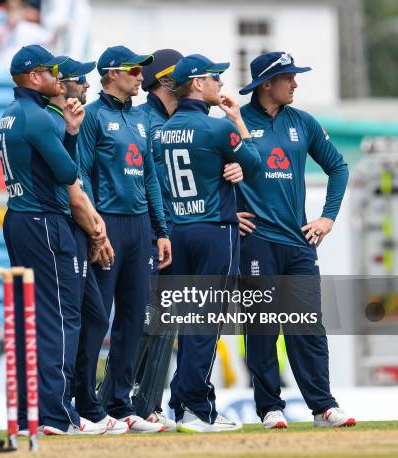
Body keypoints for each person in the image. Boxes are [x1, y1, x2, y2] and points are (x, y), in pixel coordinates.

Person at [236, 51, 355, 429]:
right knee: (262, 327)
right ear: (266, 84)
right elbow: (210, 173)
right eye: (288, 77)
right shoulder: (235, 122)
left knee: (308, 326)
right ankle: (270, 408)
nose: (295, 83)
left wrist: (327, 217)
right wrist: (226, 216)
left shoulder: (303, 122)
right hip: (255, 242)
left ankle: (323, 407)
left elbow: (338, 166)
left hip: (298, 242)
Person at [0, 44, 108, 436]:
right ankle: (57, 415)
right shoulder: (40, 117)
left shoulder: (10, 114)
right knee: (61, 316)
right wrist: (73, 134)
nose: (56, 77)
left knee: (36, 317)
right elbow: (67, 172)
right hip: (45, 220)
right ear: (33, 77)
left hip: (20, 218)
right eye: (49, 71)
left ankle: (36, 412)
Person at [159, 53, 261, 432]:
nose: (220, 82)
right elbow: (254, 162)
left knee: (188, 322)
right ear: (197, 84)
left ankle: (182, 403)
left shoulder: (162, 130)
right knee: (205, 321)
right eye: (215, 77)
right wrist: (236, 119)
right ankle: (196, 409)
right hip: (213, 230)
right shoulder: (217, 128)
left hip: (176, 231)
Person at [79, 45, 171, 433]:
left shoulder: (140, 119)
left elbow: (150, 176)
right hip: (108, 226)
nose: (140, 77)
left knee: (134, 318)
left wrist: (160, 229)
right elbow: (81, 174)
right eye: (134, 71)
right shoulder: (92, 116)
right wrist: (95, 230)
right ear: (112, 74)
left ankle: (119, 403)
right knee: (97, 320)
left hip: (139, 228)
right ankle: (84, 403)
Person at [46, 56, 125, 434]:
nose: (87, 85)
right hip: (62, 227)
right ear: (62, 85)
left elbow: (81, 180)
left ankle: (85, 403)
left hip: (78, 226)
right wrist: (98, 231)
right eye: (80, 80)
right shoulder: (53, 121)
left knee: (93, 315)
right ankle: (65, 408)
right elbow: (71, 187)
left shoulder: (70, 121)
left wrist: (94, 226)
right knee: (70, 318)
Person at [124, 48, 182, 430]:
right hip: (147, 236)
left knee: (166, 324)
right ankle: (126, 404)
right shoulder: (141, 121)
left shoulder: (186, 121)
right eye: (183, 74)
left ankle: (150, 405)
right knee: (144, 323)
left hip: (176, 235)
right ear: (164, 80)